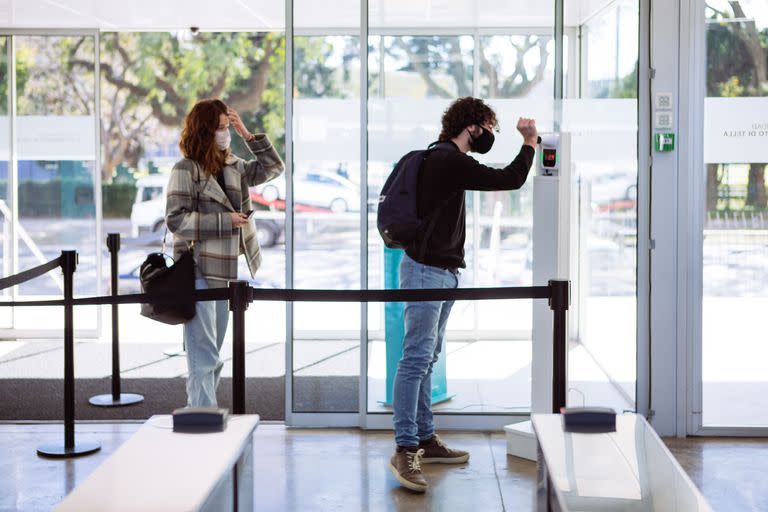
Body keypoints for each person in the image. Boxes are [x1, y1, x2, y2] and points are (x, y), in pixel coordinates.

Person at [389, 97, 538, 492]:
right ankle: (405, 448)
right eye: (488, 127)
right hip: (426, 272)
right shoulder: (447, 160)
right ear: (470, 126)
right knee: (416, 358)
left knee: (426, 357)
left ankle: (424, 438)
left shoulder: (442, 160)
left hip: (439, 271)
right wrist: (529, 143)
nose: (490, 135)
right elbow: (508, 179)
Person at [166, 98, 284, 408]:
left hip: (225, 269)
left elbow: (274, 168)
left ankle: (201, 412)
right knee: (203, 352)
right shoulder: (185, 169)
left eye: (227, 127)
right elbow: (176, 220)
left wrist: (248, 136)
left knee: (214, 351)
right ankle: (203, 416)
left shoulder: (234, 166)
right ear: (204, 131)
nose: (225, 133)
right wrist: (225, 221)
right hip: (196, 269)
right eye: (220, 128)